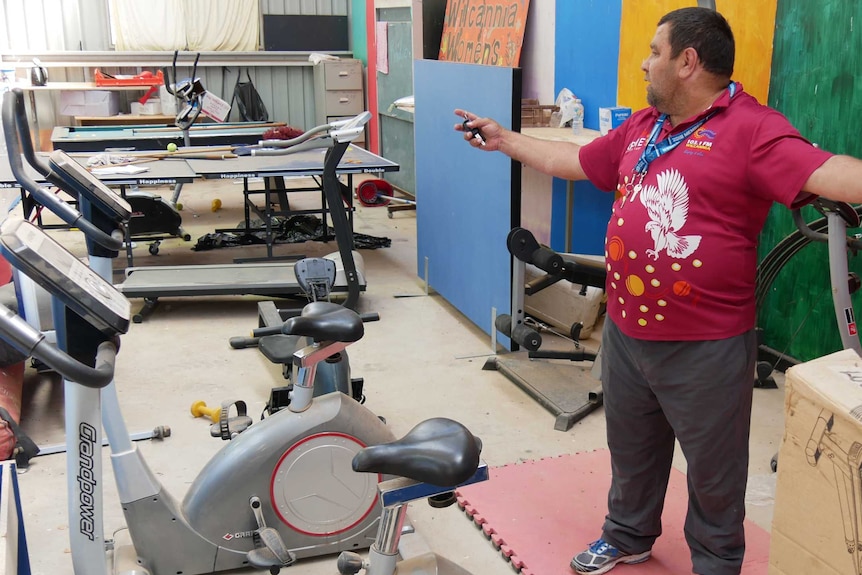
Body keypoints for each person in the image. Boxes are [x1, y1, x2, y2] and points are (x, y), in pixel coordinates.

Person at [456, 7, 862, 575]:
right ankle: (627, 535)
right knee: (633, 452)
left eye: (654, 52)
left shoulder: (752, 128)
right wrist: (504, 141)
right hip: (626, 330)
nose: (645, 63)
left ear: (687, 62)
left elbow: (825, 171)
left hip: (706, 344)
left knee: (715, 473)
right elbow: (575, 161)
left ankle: (717, 563)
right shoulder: (647, 124)